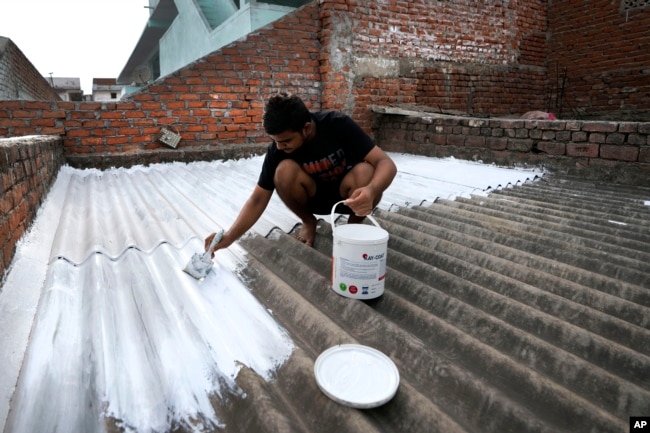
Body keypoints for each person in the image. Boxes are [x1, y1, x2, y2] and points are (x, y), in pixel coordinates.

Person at [204, 93, 397, 255]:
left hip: (350, 198)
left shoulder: (337, 125)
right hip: (313, 200)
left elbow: (386, 163)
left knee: (366, 171)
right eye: (275, 141)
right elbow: (257, 199)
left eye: (286, 140)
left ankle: (353, 229)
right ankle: (308, 222)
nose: (279, 146)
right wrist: (229, 237)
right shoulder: (277, 150)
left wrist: (371, 191)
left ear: (306, 128)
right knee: (283, 172)